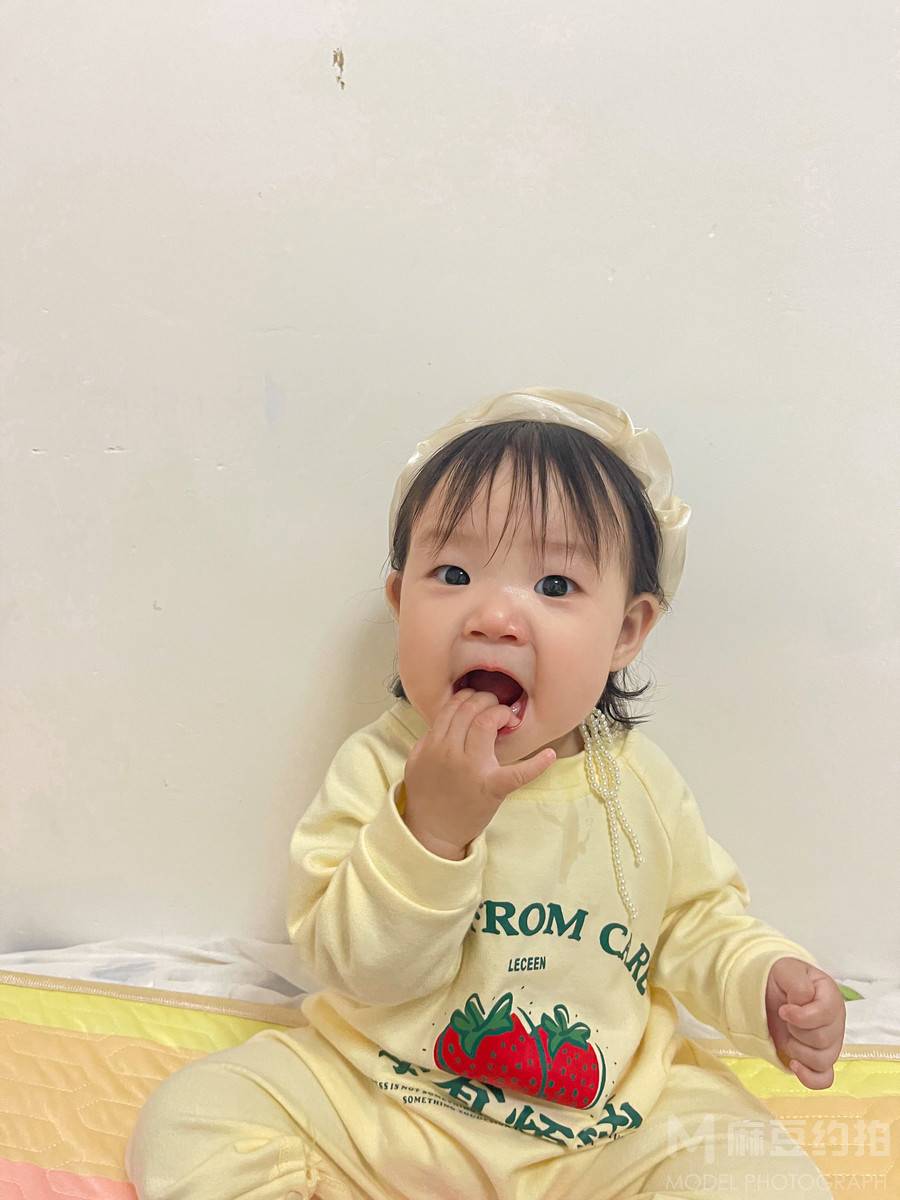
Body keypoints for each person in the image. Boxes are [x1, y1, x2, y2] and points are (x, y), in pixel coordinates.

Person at [126, 387, 843, 1199]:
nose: (495, 616)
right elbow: (357, 969)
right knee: (195, 1116)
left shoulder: (636, 783)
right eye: (455, 574)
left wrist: (765, 983)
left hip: (605, 1125)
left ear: (627, 631)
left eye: (555, 585)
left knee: (754, 1171)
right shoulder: (379, 767)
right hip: (382, 1097)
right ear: (401, 601)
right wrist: (429, 831)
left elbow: (698, 923)